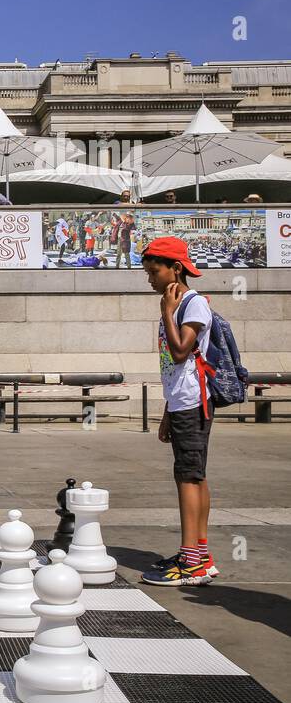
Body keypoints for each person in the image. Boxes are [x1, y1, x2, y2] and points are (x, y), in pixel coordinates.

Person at [140, 236, 219, 587]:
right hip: (183, 402)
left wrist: (166, 313)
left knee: (189, 476)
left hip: (193, 401)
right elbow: (175, 370)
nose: (150, 278)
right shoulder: (180, 304)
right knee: (192, 474)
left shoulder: (192, 304)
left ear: (176, 268)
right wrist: (168, 411)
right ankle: (200, 554)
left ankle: (191, 562)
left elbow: (181, 352)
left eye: (154, 271)